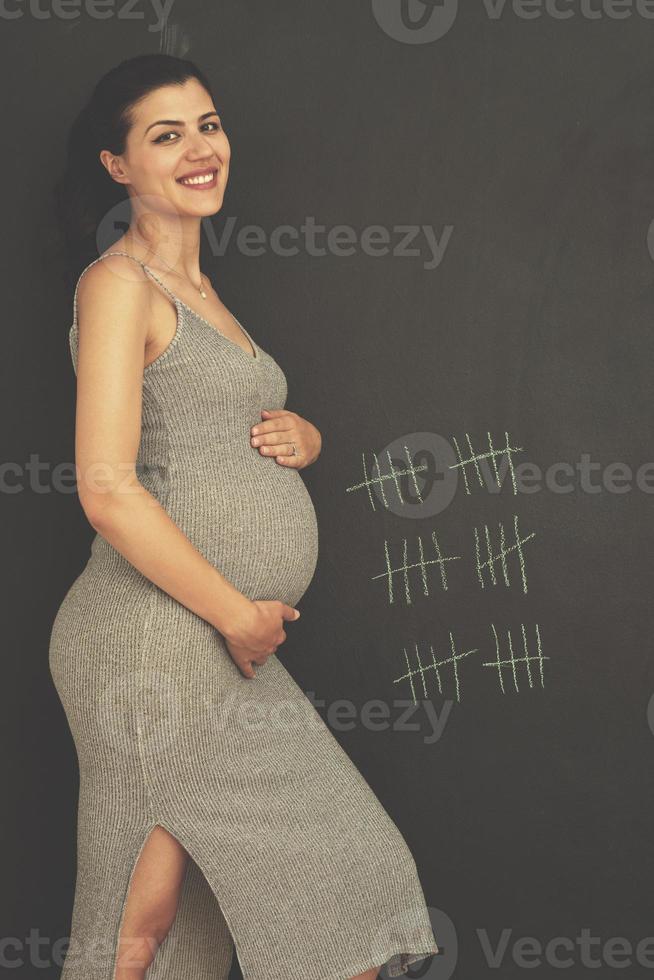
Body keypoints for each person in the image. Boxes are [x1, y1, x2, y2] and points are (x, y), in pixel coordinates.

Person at [48, 53, 439, 980]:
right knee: (148, 929)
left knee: (192, 928)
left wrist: (303, 437)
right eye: (166, 134)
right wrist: (235, 613)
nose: (199, 149)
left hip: (219, 644)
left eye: (209, 125)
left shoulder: (209, 297)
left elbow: (205, 423)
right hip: (154, 643)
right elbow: (105, 485)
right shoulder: (118, 286)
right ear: (118, 166)